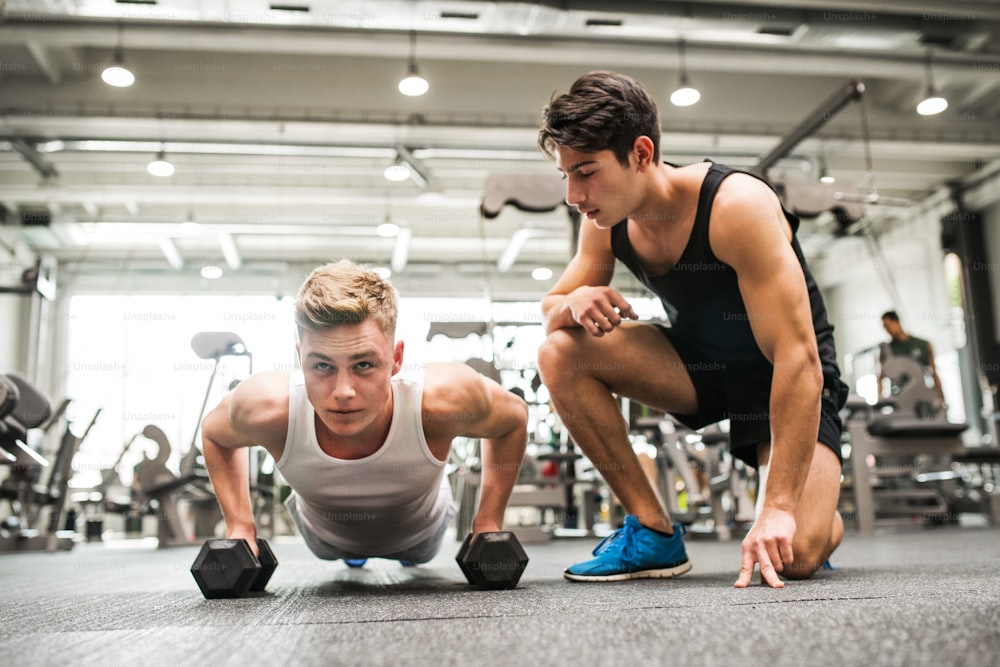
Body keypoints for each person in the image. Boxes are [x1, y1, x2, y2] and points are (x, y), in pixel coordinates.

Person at [535, 71, 849, 588]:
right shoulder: (605, 224)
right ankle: (655, 532)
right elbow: (550, 312)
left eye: (586, 171)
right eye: (566, 174)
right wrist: (571, 301)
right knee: (560, 352)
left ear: (640, 153)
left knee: (794, 556)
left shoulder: (736, 207)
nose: (573, 194)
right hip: (695, 364)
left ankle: (821, 516)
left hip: (782, 375)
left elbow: (799, 359)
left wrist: (779, 507)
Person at [201, 260, 528, 567]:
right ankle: (353, 554)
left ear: (397, 358)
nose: (343, 391)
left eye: (363, 364)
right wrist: (240, 528)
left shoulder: (443, 399)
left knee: (416, 555)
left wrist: (488, 523)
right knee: (338, 550)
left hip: (421, 539)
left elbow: (513, 418)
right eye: (322, 366)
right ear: (300, 358)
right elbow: (215, 434)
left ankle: (392, 554)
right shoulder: (268, 407)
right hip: (325, 542)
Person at [879, 310, 944, 402]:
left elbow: (934, 373)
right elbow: (881, 378)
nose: (887, 330)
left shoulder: (923, 345)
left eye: (888, 325)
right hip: (899, 401)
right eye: (885, 327)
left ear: (897, 322)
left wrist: (941, 399)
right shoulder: (886, 351)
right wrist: (879, 402)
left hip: (922, 399)